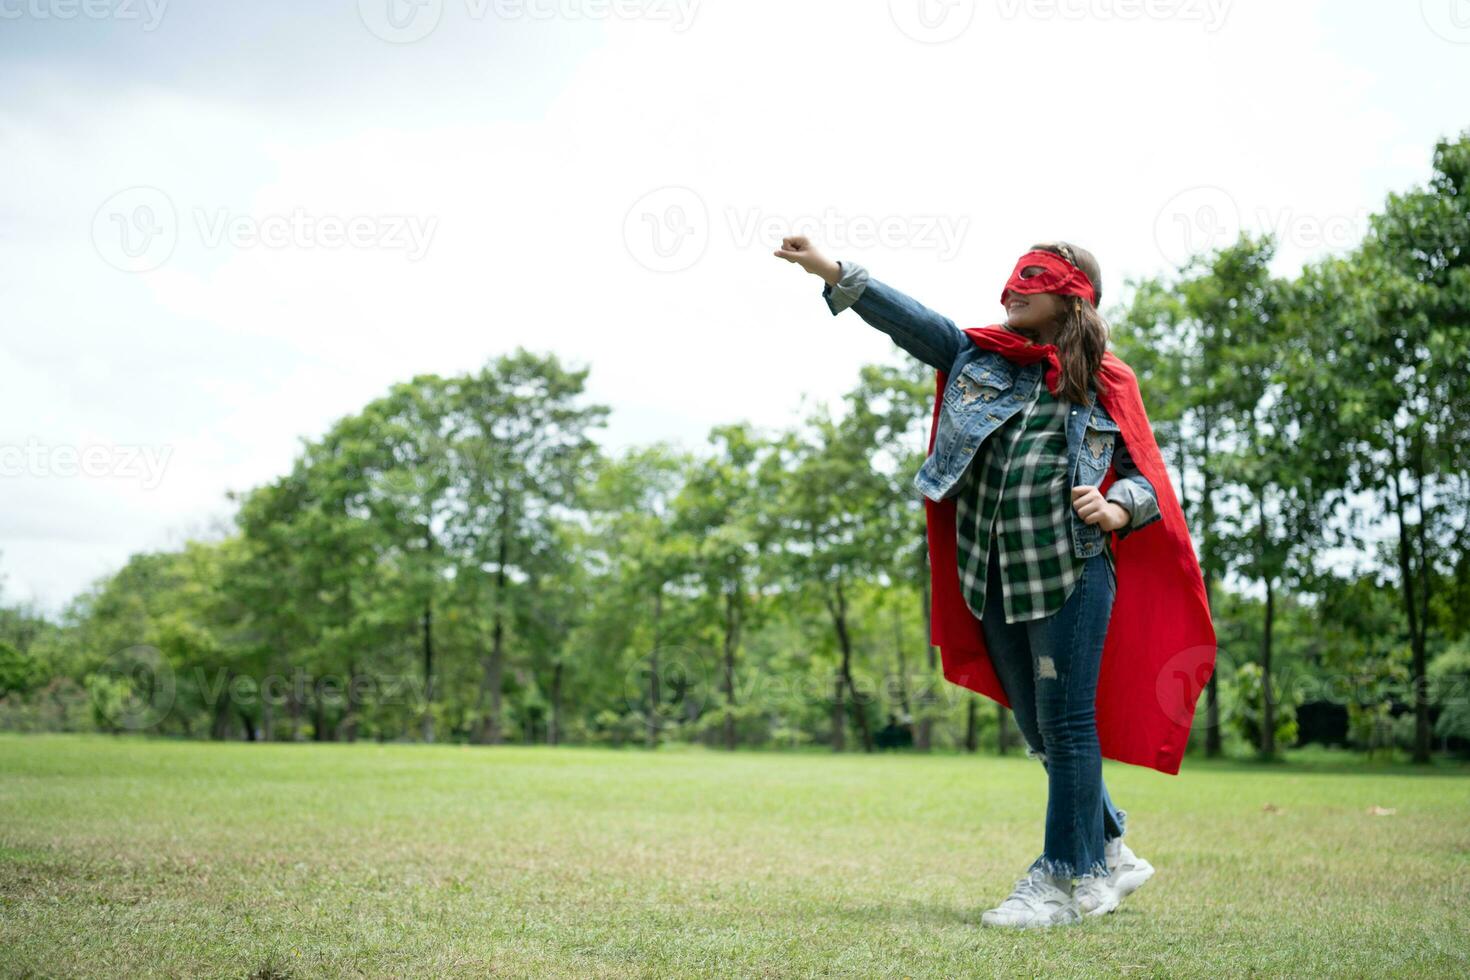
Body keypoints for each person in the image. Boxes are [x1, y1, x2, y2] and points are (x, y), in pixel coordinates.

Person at [774, 237, 1160, 928]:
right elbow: (913, 321)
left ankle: (1060, 881)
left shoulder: (1106, 382)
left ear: (1072, 295)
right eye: (1012, 277)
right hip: (994, 576)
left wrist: (1118, 506)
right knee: (1040, 730)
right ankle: (1109, 849)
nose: (1011, 288)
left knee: (1068, 725)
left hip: (1071, 571)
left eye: (1032, 279)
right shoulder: (977, 357)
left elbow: (1147, 480)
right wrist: (832, 272)